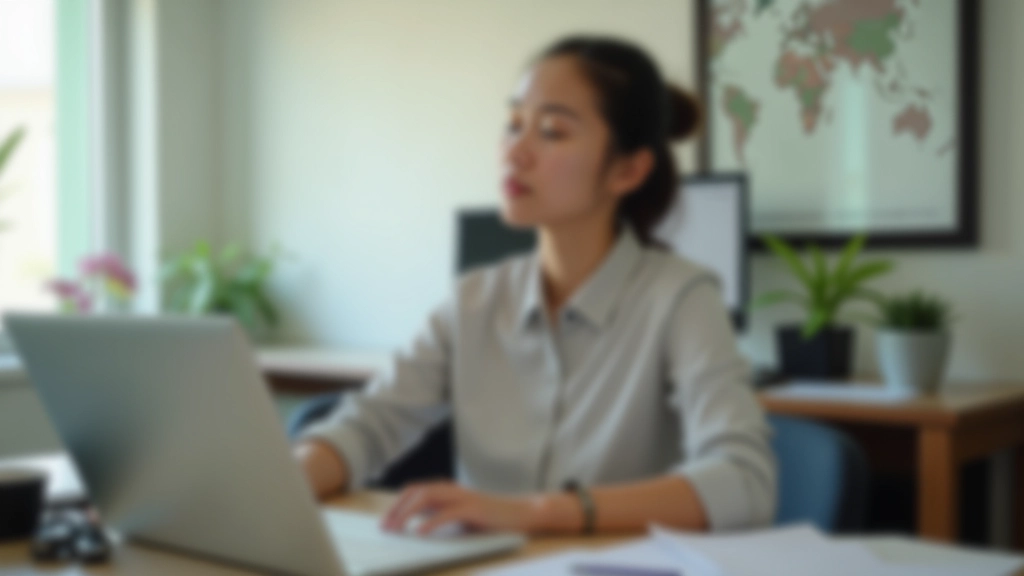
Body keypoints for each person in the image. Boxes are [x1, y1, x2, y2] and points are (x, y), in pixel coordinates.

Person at [293, 35, 776, 537]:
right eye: (513, 124)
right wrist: (284, 483)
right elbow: (367, 425)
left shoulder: (681, 297)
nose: (515, 151)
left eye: (551, 131)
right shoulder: (472, 301)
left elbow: (745, 481)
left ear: (627, 170)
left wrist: (540, 512)